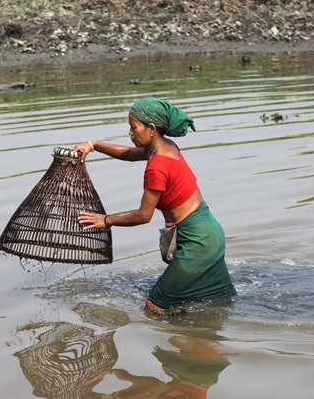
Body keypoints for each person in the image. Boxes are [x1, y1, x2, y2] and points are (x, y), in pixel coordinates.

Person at [74, 97, 236, 312]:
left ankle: (188, 339)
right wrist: (93, 145)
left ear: (151, 128)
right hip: (209, 231)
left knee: (154, 306)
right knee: (219, 301)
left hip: (197, 242)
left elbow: (143, 216)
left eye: (133, 127)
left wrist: (106, 220)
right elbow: (130, 154)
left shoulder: (156, 166)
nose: (130, 133)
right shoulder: (166, 147)